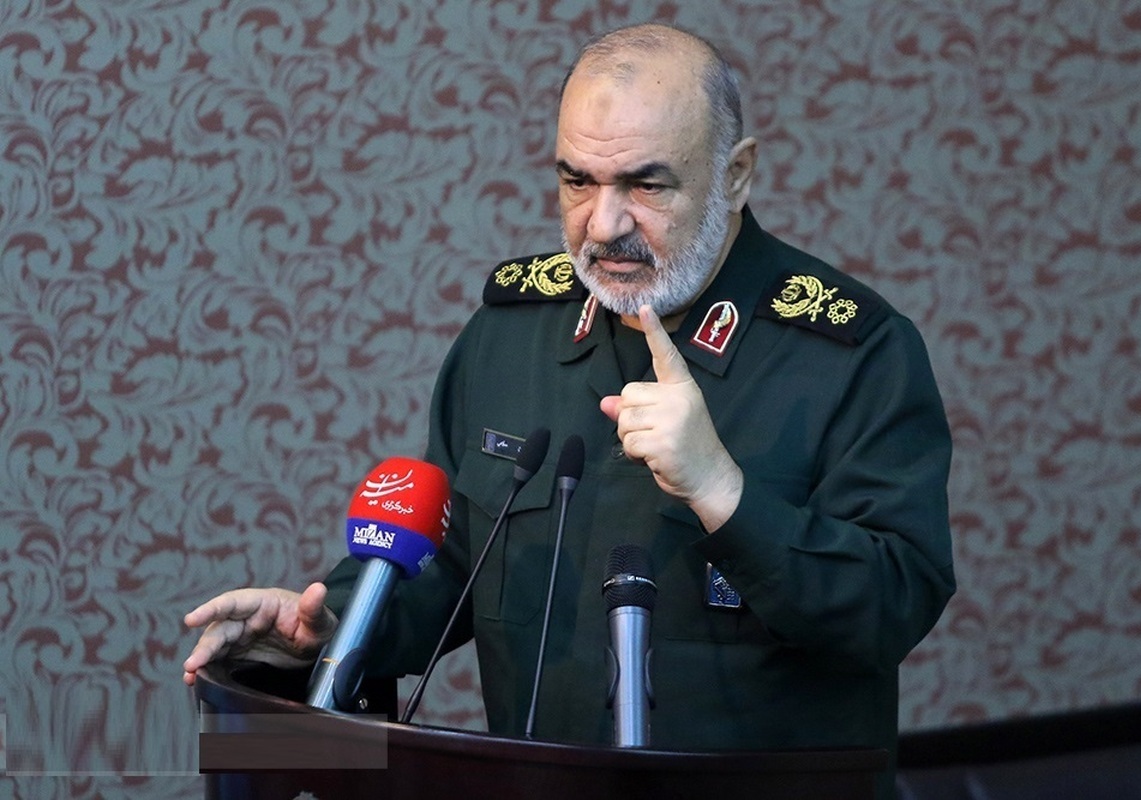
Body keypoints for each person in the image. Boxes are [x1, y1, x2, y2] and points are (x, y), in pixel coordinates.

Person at [184, 23, 954, 797]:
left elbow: (893, 606)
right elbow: (454, 561)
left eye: (646, 186)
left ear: (737, 174)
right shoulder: (511, 334)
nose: (604, 225)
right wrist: (332, 622)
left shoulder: (851, 351)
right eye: (577, 181)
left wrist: (723, 492)